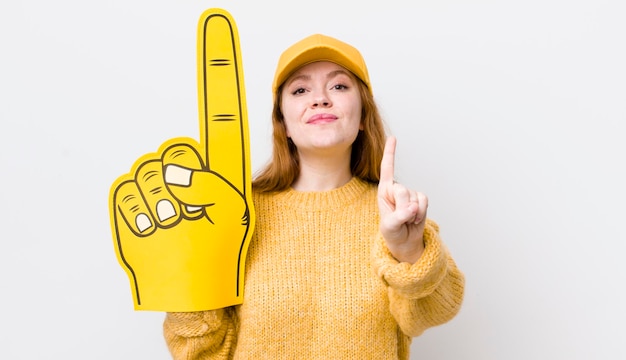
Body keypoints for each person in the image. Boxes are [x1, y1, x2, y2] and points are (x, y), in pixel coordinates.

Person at [162, 33, 465, 359]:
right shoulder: (237, 214)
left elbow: (437, 310)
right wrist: (185, 279)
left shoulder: (394, 215)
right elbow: (198, 349)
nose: (320, 99)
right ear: (283, 124)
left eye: (338, 86)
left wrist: (408, 250)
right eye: (300, 90)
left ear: (363, 116)